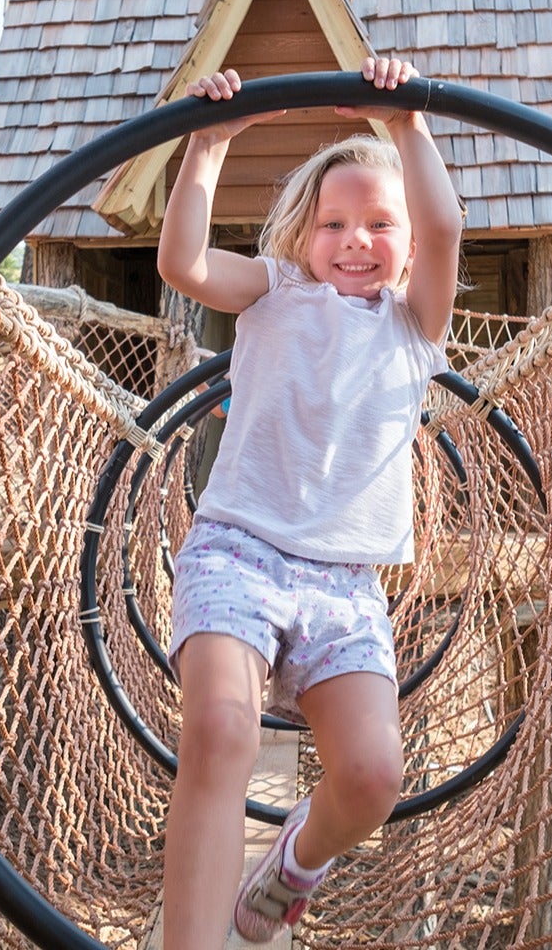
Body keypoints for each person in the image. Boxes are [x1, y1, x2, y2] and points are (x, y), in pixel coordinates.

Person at [153, 57, 462, 947]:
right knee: (218, 727)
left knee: (372, 776)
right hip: (237, 550)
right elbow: (181, 263)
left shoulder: (415, 327)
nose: (355, 239)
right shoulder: (274, 291)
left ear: (405, 242)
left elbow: (446, 226)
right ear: (303, 231)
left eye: (378, 223)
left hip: (345, 583)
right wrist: (205, 148)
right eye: (333, 222)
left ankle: (294, 863)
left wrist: (406, 124)